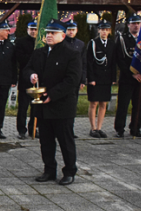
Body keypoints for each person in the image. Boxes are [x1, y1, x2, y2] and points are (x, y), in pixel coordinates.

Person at [24, 20, 82, 186]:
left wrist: (52, 95)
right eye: (47, 32)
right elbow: (27, 69)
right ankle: (49, 169)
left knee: (65, 140)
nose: (48, 35)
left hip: (61, 105)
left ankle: (70, 171)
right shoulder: (39, 52)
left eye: (53, 33)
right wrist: (31, 75)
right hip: (42, 104)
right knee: (46, 141)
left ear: (63, 35)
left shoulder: (71, 54)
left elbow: (72, 80)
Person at [113, 15, 141, 138]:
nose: (136, 25)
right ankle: (119, 129)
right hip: (127, 78)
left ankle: (136, 128)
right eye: (133, 23)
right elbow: (120, 59)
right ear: (128, 25)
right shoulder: (123, 39)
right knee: (123, 105)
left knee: (138, 105)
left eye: (138, 23)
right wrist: (132, 74)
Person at [85, 20, 116, 137]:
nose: (104, 32)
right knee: (94, 103)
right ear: (98, 30)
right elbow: (89, 62)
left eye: (106, 30)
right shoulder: (93, 43)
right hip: (95, 78)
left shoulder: (112, 44)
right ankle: (92, 128)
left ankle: (99, 127)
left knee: (103, 103)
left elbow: (113, 62)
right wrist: (91, 78)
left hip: (106, 78)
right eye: (102, 29)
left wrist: (113, 77)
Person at [15, 21, 38, 139]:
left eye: (35, 29)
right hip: (25, 79)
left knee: (36, 108)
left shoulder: (40, 42)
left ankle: (33, 128)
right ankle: (21, 130)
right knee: (23, 107)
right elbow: (20, 58)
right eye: (31, 29)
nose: (33, 31)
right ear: (28, 29)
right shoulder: (21, 42)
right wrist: (34, 58)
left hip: (38, 80)